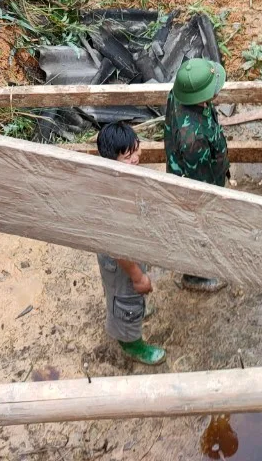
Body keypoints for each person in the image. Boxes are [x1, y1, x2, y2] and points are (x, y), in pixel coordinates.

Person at [95, 122, 166, 366]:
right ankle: (130, 343)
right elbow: (117, 248)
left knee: (127, 294)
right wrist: (137, 275)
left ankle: (133, 309)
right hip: (121, 261)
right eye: (127, 156)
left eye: (136, 151)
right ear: (110, 160)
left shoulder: (118, 179)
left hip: (129, 250)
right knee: (126, 298)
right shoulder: (112, 204)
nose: (135, 159)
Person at [164, 57, 228, 292]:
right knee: (199, 223)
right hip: (197, 181)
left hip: (191, 166)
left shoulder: (179, 93)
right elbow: (203, 185)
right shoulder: (194, 140)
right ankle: (196, 277)